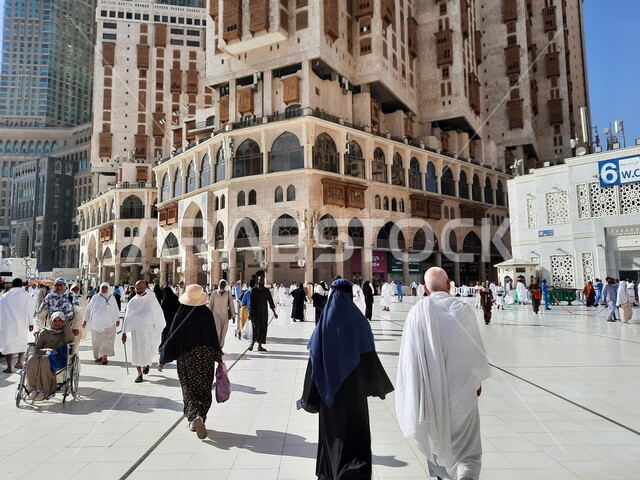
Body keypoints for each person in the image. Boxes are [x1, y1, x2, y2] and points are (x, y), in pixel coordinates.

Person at [396, 267, 491, 480]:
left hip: (430, 397)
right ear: (449, 285)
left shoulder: (416, 313)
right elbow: (474, 353)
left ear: (426, 290)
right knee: (467, 453)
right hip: (462, 394)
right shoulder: (463, 310)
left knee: (436, 444)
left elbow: (409, 363)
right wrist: (476, 383)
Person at [300, 278, 394, 479]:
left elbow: (314, 363)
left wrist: (309, 396)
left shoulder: (323, 326)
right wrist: (373, 385)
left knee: (332, 438)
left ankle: (330, 473)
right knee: (355, 437)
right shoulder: (359, 322)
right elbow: (370, 357)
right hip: (355, 395)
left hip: (330, 398)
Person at [158, 284, 224, 439]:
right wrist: (218, 357)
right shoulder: (206, 313)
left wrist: (163, 359)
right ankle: (200, 416)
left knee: (189, 388)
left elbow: (172, 335)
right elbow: (213, 336)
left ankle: (193, 418)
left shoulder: (181, 312)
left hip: (186, 357)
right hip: (206, 356)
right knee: (204, 388)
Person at [121, 280, 165, 382]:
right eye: (137, 288)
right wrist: (124, 332)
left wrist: (159, 326)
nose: (139, 290)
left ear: (146, 287)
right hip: (136, 330)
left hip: (148, 330)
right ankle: (139, 374)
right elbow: (128, 317)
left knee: (148, 349)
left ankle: (146, 364)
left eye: (141, 288)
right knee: (137, 351)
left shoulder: (151, 299)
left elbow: (158, 313)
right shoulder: (133, 301)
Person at [25, 311, 75, 401]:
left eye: (60, 321)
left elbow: (70, 340)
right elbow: (37, 349)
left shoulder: (65, 333)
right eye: (55, 321)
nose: (57, 323)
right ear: (51, 321)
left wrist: (66, 326)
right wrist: (48, 350)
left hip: (58, 358)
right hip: (43, 355)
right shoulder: (44, 332)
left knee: (45, 360)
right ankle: (32, 389)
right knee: (31, 359)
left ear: (63, 322)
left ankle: (44, 390)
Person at [0, 278, 32, 373]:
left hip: (8, 325)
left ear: (12, 285)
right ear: (21, 285)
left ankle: (9, 367)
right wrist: (31, 323)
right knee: (21, 342)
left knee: (8, 345)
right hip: (22, 324)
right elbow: (30, 310)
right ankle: (19, 362)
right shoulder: (26, 296)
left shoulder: (5, 296)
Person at [83, 282, 120, 365]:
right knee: (97, 341)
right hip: (96, 323)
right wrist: (85, 319)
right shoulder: (95, 297)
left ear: (108, 288)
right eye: (103, 288)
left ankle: (104, 357)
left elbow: (115, 309)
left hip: (109, 323)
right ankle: (99, 356)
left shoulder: (112, 297)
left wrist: (117, 319)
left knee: (107, 340)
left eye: (106, 288)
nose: (104, 289)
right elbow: (89, 308)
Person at [248, 275, 278, 351]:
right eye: (260, 280)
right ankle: (252, 343)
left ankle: (260, 346)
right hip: (255, 313)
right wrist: (250, 313)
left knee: (263, 329)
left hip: (264, 313)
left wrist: (274, 312)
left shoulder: (266, 291)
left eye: (262, 280)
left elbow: (271, 302)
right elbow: (251, 303)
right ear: (257, 281)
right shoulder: (254, 290)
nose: (261, 281)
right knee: (255, 328)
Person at [209, 279, 235, 349]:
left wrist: (233, 316)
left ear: (225, 286)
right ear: (219, 285)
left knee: (224, 332)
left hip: (225, 315)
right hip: (215, 315)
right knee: (217, 331)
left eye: (224, 285)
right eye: (221, 285)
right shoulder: (214, 293)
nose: (222, 286)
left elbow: (231, 305)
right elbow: (210, 305)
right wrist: (208, 316)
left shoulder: (228, 293)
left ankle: (221, 347)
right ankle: (217, 347)